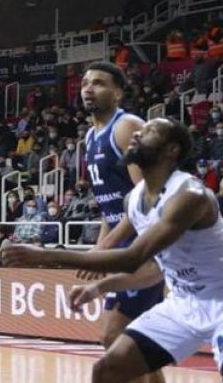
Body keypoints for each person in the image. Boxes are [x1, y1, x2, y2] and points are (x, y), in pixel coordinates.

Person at [2, 119, 223, 383]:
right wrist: (100, 286)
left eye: (150, 131)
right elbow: (153, 269)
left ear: (171, 150)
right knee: (107, 370)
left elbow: (132, 258)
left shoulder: (190, 195)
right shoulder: (134, 200)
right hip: (182, 304)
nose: (138, 134)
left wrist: (44, 255)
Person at [79, 62, 165, 383]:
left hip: (146, 245)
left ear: (117, 92)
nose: (89, 88)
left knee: (113, 336)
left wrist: (105, 247)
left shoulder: (127, 126)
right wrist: (102, 247)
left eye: (99, 83)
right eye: (85, 83)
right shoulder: (90, 136)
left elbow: (145, 202)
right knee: (138, 342)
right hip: (124, 244)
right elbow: (110, 207)